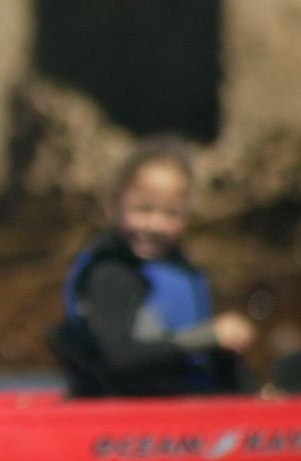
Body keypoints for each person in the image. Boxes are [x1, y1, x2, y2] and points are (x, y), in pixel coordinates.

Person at [50, 136, 255, 398]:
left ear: (187, 214)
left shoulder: (182, 272)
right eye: (143, 209)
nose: (154, 225)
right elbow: (120, 359)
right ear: (114, 207)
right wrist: (207, 336)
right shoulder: (111, 274)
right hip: (120, 414)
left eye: (171, 213)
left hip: (185, 410)